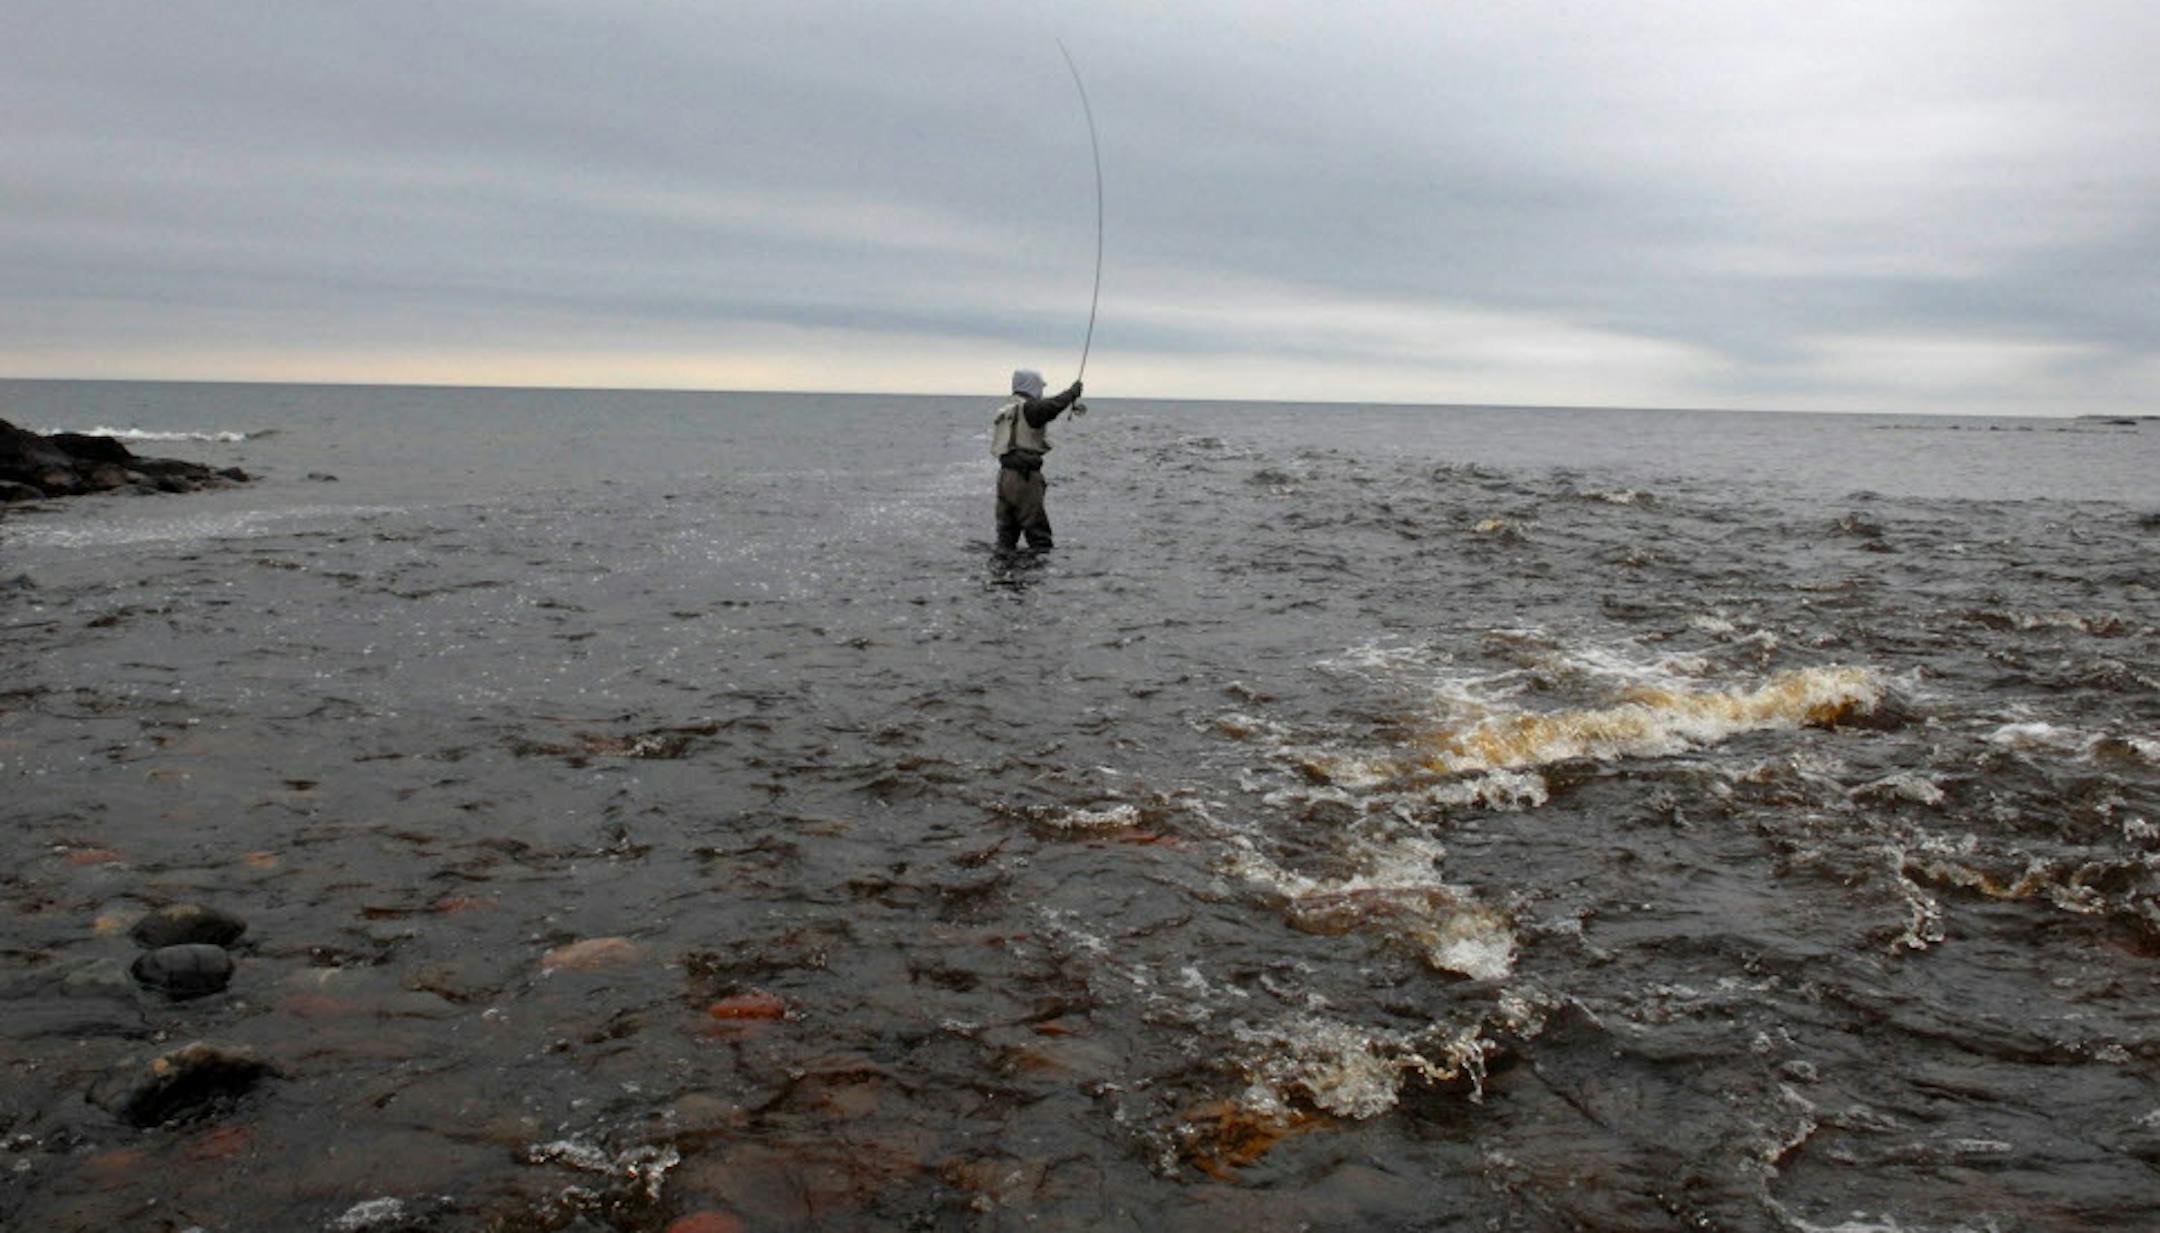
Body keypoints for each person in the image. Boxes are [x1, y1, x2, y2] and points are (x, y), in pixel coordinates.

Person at [990, 368, 1083, 552]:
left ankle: (1005, 577)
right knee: (1039, 538)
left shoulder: (1007, 409)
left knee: (1006, 537)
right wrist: (1072, 392)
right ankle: (1038, 579)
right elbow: (1052, 406)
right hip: (1024, 479)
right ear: (1032, 386)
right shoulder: (1030, 408)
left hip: (1004, 478)